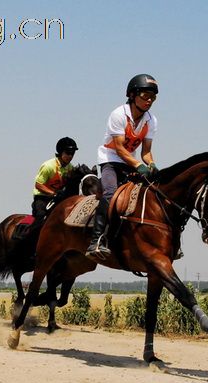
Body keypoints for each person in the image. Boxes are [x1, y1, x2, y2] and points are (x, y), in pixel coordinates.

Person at [86, 74, 160, 259]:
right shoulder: (119, 114)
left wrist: (151, 165)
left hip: (129, 162)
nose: (149, 100)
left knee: (152, 192)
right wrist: (138, 165)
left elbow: (146, 152)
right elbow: (119, 148)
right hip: (110, 160)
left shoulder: (151, 121)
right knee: (110, 193)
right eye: (145, 96)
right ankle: (96, 240)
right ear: (132, 95)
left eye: (153, 97)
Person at [31, 137, 78, 222]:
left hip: (58, 199)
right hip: (42, 198)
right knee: (41, 218)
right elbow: (38, 185)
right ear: (60, 152)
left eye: (72, 153)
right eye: (68, 153)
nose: (70, 156)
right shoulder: (48, 166)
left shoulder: (70, 167)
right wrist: (54, 194)